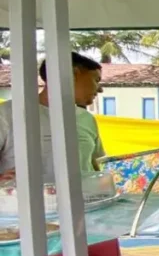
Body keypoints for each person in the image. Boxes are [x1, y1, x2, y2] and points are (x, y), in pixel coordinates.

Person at [0, 52, 104, 180]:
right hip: (23, 200)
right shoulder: (7, 114)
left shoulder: (87, 119)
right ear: (72, 74)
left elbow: (98, 166)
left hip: (84, 200)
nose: (100, 89)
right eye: (96, 80)